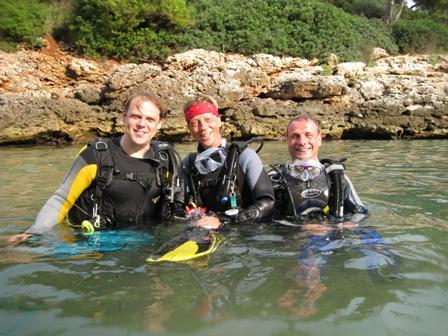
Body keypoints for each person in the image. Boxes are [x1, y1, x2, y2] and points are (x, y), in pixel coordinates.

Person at [8, 91, 183, 245]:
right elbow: (61, 199)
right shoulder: (96, 155)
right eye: (136, 116)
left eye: (150, 119)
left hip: (141, 243)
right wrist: (34, 232)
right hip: (90, 244)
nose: (142, 124)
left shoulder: (166, 161)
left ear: (159, 124)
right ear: (124, 117)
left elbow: (179, 206)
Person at [180, 94, 275, 230]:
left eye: (208, 119)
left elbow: (267, 203)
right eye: (195, 123)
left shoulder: (245, 156)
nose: (203, 127)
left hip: (245, 234)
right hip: (204, 232)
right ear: (189, 129)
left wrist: (223, 221)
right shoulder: (187, 165)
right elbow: (179, 208)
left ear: (219, 121)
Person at [269, 115, 368, 223]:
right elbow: (259, 224)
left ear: (319, 139)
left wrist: (347, 224)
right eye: (295, 136)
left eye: (309, 135)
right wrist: (300, 229)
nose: (302, 142)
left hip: (331, 237)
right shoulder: (273, 179)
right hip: (290, 238)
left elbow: (361, 214)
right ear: (287, 140)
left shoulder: (336, 178)